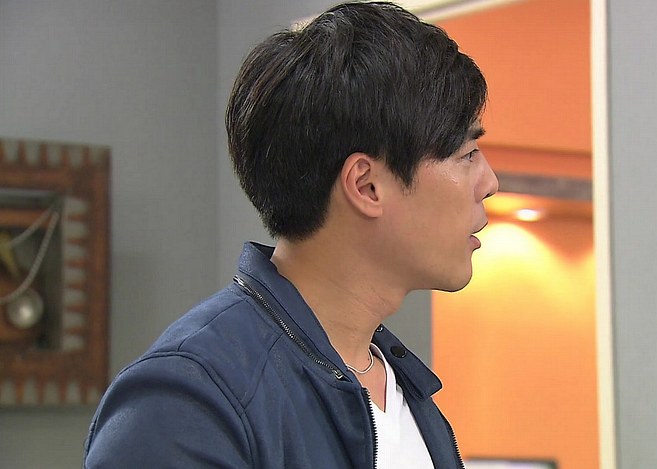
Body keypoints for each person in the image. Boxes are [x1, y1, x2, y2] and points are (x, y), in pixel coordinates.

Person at [83, 1, 497, 467]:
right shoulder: (187, 403)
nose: (489, 182)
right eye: (467, 155)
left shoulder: (404, 391)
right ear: (366, 186)